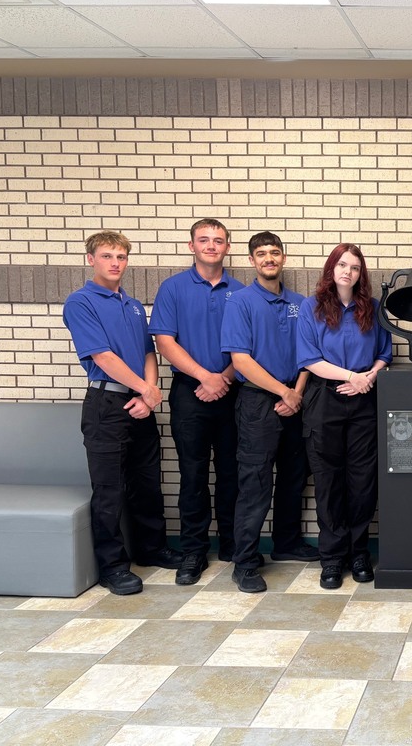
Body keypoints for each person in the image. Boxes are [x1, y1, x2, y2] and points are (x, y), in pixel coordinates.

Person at [62, 231, 183, 596]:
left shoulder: (132, 306)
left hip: (139, 405)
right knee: (110, 490)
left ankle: (150, 549)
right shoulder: (80, 302)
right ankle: (113, 566)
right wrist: (146, 389)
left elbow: (148, 352)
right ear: (91, 260)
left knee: (146, 483)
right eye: (107, 256)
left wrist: (148, 395)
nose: (115, 263)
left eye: (121, 256)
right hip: (107, 406)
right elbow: (103, 357)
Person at [221, 231, 318, 593]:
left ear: (283, 258)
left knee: (295, 476)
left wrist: (297, 394)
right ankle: (244, 561)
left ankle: (287, 543)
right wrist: (283, 392)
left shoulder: (301, 303)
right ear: (252, 261)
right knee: (255, 483)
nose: (268, 259)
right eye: (261, 254)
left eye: (274, 252)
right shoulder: (241, 302)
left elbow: (311, 353)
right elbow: (240, 359)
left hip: (297, 398)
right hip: (258, 403)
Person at [150, 219, 245, 586]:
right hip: (189, 393)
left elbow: (246, 346)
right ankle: (193, 550)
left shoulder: (240, 292)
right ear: (192, 246)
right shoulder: (173, 288)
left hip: (232, 391)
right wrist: (206, 378)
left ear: (227, 247)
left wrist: (224, 378)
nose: (211, 245)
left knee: (231, 473)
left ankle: (232, 544)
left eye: (218, 240)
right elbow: (165, 341)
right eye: (204, 240)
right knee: (192, 474)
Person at [297, 244, 392, 590]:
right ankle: (333, 559)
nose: (347, 272)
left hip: (365, 400)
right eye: (341, 265)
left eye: (354, 267)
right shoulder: (312, 307)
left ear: (360, 274)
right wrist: (351, 377)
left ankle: (359, 553)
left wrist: (367, 378)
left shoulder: (372, 308)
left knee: (363, 481)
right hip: (326, 399)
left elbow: (384, 353)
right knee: (329, 482)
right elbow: (309, 358)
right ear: (331, 269)